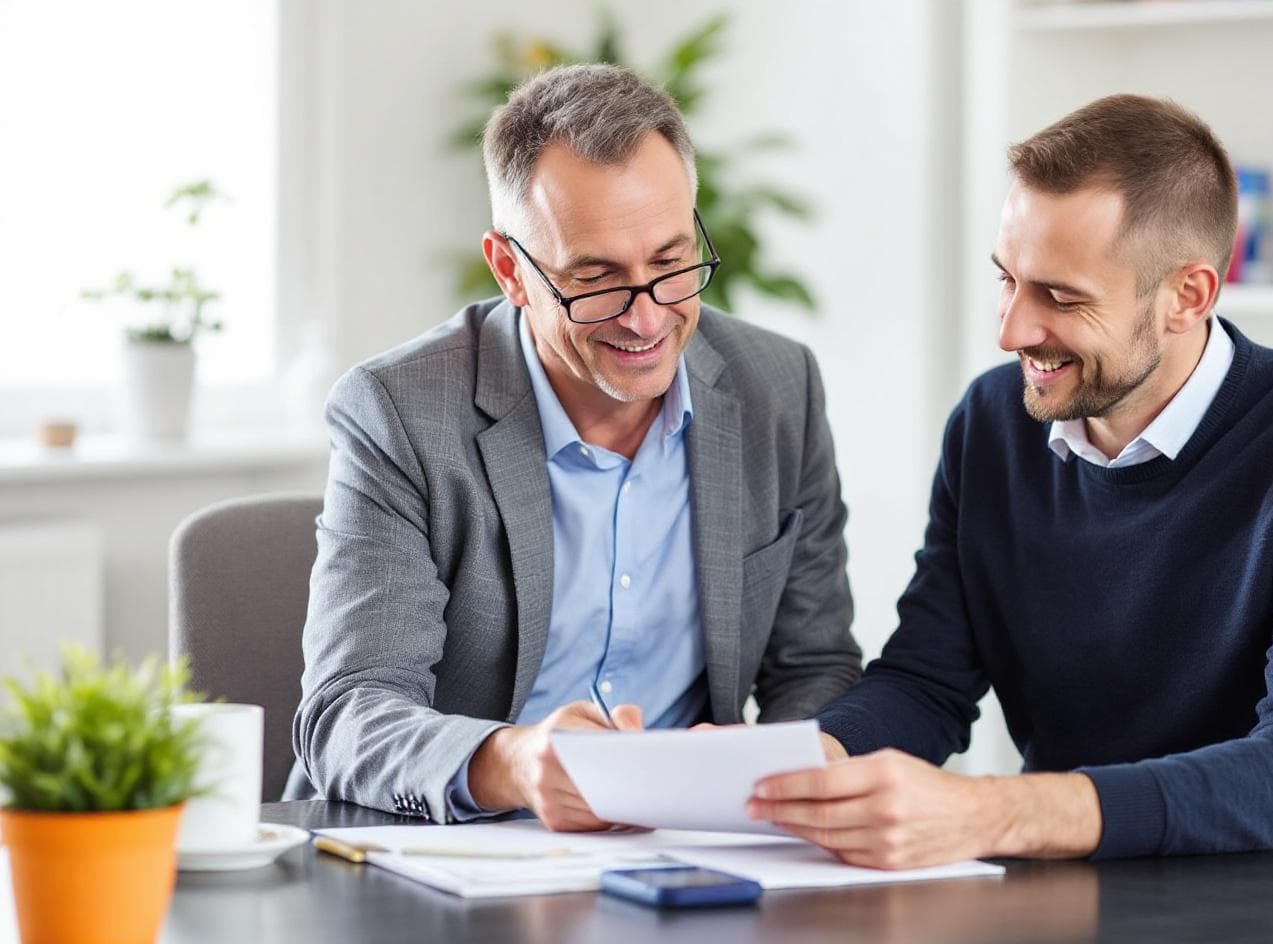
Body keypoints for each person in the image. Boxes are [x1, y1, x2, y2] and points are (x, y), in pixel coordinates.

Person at [747, 94, 1273, 876]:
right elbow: (925, 682)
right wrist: (797, 767)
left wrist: (995, 810)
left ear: (1189, 296)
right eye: (1007, 279)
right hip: (1088, 897)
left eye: (1060, 297)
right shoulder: (993, 423)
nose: (1010, 330)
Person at [291, 64, 861, 827]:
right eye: (596, 280)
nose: (647, 318)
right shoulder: (399, 413)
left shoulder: (777, 389)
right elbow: (347, 712)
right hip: (455, 851)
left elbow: (816, 668)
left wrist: (761, 773)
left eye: (670, 263)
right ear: (511, 272)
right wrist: (516, 764)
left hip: (686, 851)